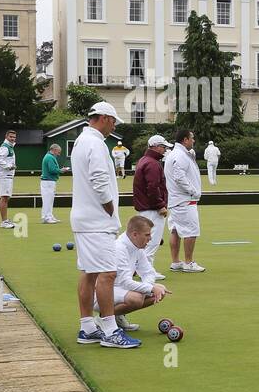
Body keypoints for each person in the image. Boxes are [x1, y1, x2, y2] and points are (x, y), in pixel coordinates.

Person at [71, 102, 139, 348]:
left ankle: (88, 327)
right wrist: (110, 209)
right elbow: (99, 181)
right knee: (107, 273)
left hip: (85, 219)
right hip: (97, 221)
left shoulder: (81, 141)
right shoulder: (96, 143)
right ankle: (110, 331)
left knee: (89, 272)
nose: (113, 126)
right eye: (112, 121)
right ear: (102, 118)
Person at [109, 215, 171, 330]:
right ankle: (104, 319)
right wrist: (151, 288)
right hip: (102, 294)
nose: (150, 238)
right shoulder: (119, 248)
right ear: (135, 234)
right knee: (136, 298)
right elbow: (125, 282)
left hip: (120, 289)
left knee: (160, 291)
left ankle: (117, 317)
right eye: (147, 235)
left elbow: (149, 272)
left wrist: (150, 286)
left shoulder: (137, 247)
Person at [166, 127, 205, 272]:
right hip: (185, 200)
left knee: (175, 230)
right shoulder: (180, 155)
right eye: (192, 138)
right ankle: (189, 263)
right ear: (185, 140)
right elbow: (179, 176)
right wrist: (193, 191)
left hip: (177, 200)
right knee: (191, 231)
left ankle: (176, 262)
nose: (193, 141)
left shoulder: (178, 154)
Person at [132, 135, 171, 280]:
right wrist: (160, 205)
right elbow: (153, 187)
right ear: (155, 146)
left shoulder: (144, 160)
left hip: (145, 208)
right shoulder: (153, 164)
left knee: (147, 240)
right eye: (163, 147)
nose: (165, 150)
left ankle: (142, 269)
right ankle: (147, 271)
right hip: (152, 209)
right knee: (151, 241)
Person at [0, 129, 15, 228]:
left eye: (14, 137)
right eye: (11, 137)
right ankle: (4, 222)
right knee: (4, 197)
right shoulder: (5, 147)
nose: (12, 139)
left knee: (6, 197)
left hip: (8, 176)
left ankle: (5, 220)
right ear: (6, 137)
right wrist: (8, 166)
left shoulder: (10, 147)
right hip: (4, 176)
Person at [40, 143, 62, 223]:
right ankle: (46, 217)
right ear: (54, 150)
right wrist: (61, 170)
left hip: (49, 181)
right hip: (48, 181)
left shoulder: (50, 156)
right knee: (47, 200)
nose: (59, 154)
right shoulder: (49, 157)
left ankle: (49, 215)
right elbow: (52, 170)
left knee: (50, 200)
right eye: (58, 152)